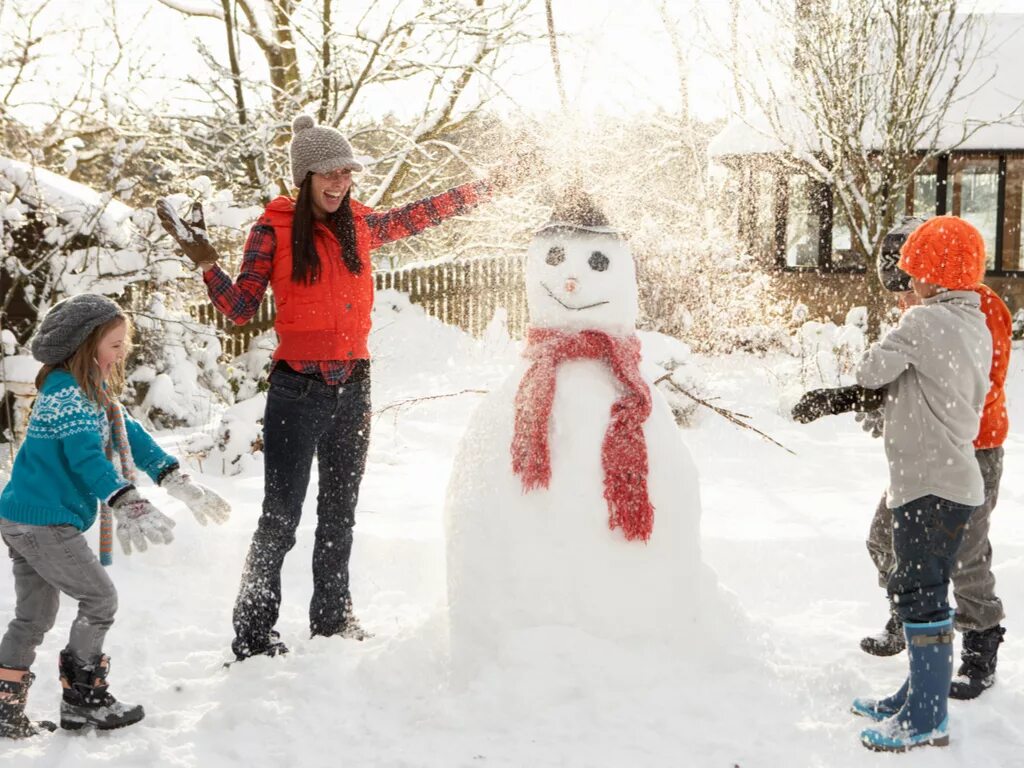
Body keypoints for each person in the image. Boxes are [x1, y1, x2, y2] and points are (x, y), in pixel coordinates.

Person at [158, 114, 531, 662]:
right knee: (280, 516)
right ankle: (254, 633)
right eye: (329, 172)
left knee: (339, 512)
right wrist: (207, 263)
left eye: (347, 172)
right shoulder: (273, 229)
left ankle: (332, 619)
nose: (340, 182)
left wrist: (499, 181)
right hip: (297, 390)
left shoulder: (359, 223)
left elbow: (423, 214)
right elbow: (239, 309)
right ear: (304, 175)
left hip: (354, 385)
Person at [792, 216, 1010, 703]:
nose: (902, 295)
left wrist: (897, 394)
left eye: (908, 281)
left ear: (935, 274)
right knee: (883, 539)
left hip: (971, 449)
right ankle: (909, 612)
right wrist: (871, 401)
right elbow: (910, 375)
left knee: (966, 558)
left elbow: (956, 385)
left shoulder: (975, 310)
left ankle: (979, 645)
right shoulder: (930, 312)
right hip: (924, 457)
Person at [0, 294, 230, 737]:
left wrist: (175, 480)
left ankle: (6, 708)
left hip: (27, 519)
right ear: (86, 346)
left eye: (125, 344)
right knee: (100, 600)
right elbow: (86, 458)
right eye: (115, 344)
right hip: (43, 523)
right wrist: (126, 500)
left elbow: (133, 437)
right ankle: (83, 699)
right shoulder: (66, 393)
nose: (123, 353)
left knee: (33, 618)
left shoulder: (92, 390)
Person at [848, 216, 991, 752]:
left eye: (914, 274)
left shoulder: (924, 323)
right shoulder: (972, 322)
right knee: (926, 592)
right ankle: (915, 695)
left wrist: (900, 329)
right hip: (949, 484)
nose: (908, 284)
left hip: (927, 486)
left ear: (934, 277)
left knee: (920, 596)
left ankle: (927, 716)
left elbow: (869, 371)